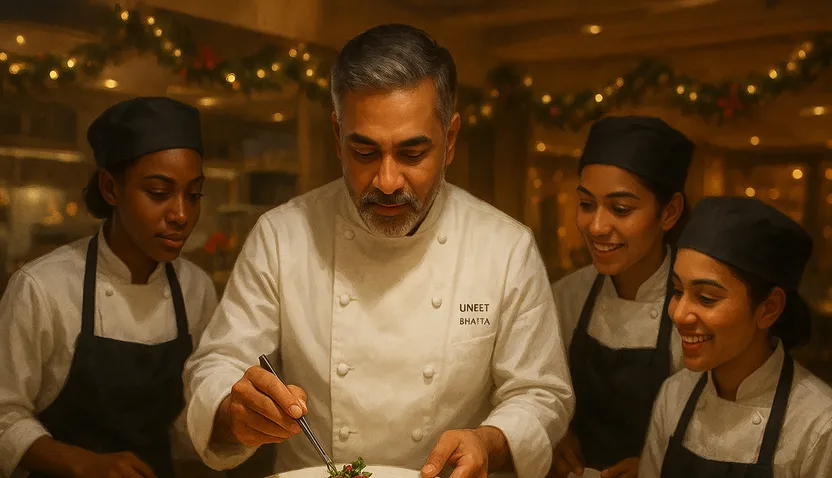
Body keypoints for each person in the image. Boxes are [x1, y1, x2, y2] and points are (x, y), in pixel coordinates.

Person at [182, 23, 573, 478]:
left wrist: (489, 441)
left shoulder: (505, 248)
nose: (387, 182)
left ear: (450, 140)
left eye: (412, 154)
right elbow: (218, 363)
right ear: (336, 135)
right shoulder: (282, 236)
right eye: (364, 152)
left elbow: (540, 393)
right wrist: (236, 411)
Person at [0, 97, 219, 478]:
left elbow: (191, 420)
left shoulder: (195, 288)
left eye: (194, 194)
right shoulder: (42, 287)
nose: (181, 214)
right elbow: (3, 414)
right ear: (110, 188)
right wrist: (83, 464)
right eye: (158, 192)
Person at [639, 196, 832, 477]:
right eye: (677, 291)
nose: (678, 314)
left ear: (769, 309)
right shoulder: (674, 394)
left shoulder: (823, 425)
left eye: (706, 297)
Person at [550, 116, 693, 478]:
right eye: (586, 204)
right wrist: (552, 431)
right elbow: (539, 389)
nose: (596, 226)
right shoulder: (568, 296)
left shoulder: (696, 309)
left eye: (621, 209)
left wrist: (662, 468)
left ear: (670, 212)